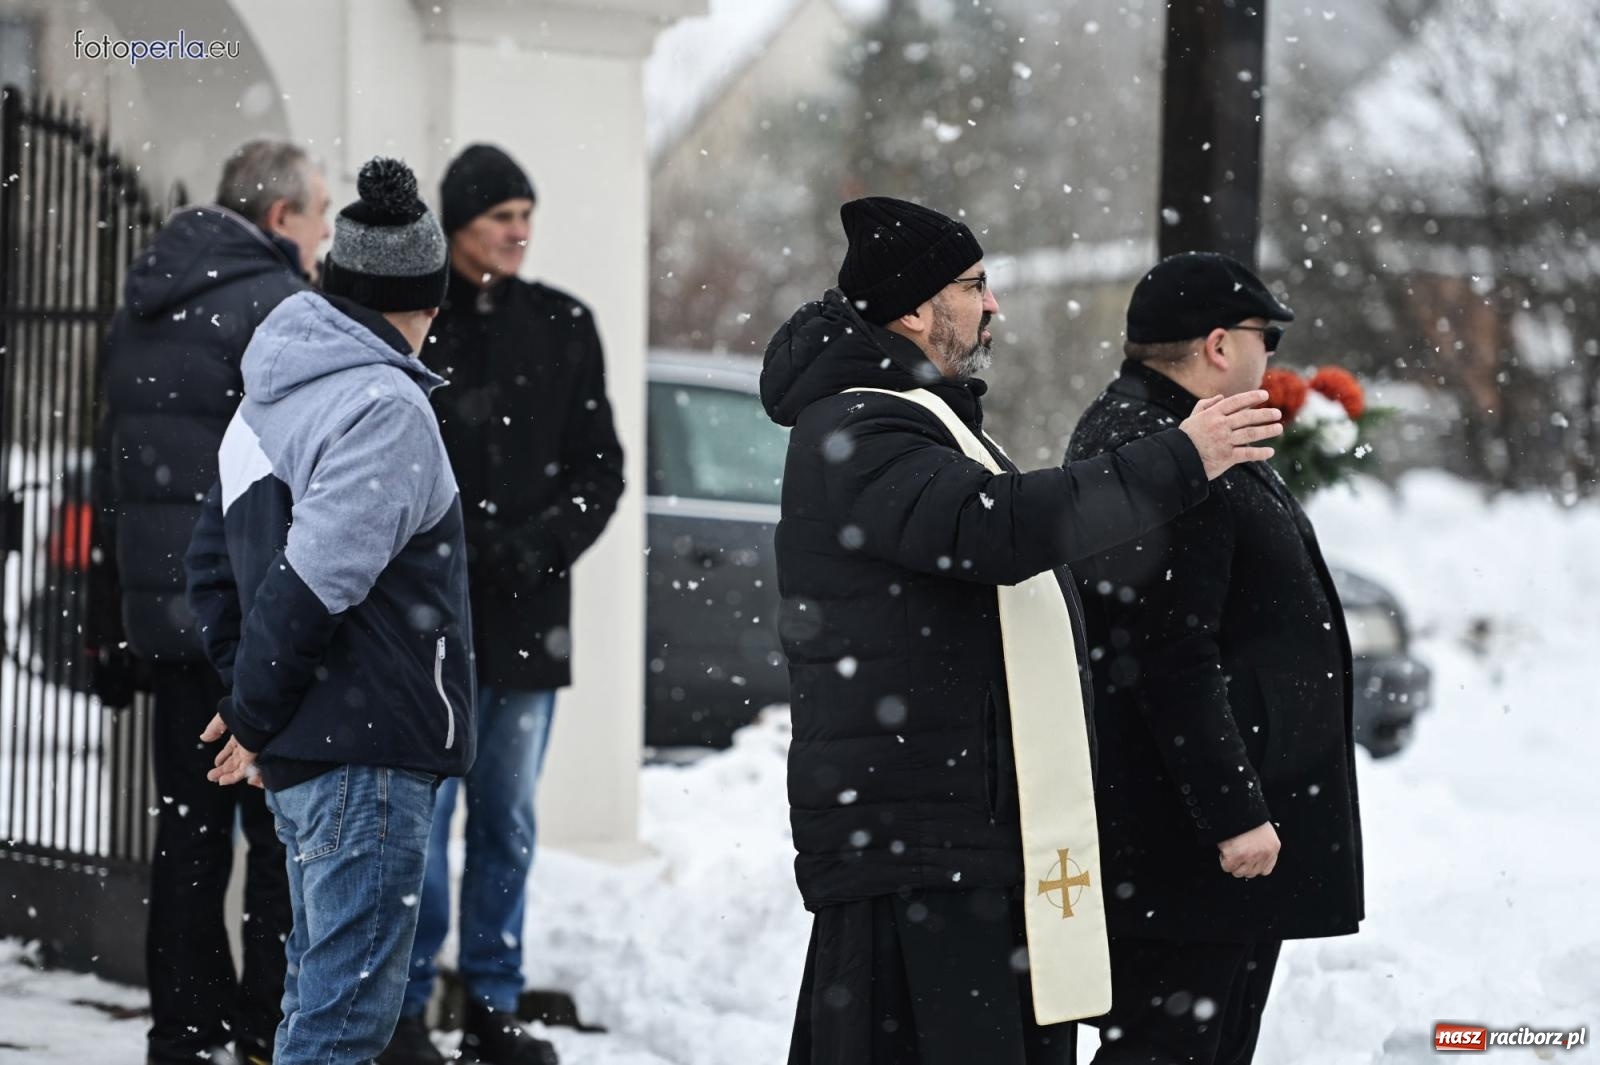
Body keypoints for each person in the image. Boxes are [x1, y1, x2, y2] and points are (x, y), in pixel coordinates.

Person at [761, 197, 1284, 1065]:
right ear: (914, 309)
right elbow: (998, 528)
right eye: (974, 285)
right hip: (918, 840)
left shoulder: (913, 415)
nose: (993, 305)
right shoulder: (862, 424)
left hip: (957, 830)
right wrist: (1176, 458)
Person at [183, 156, 476, 1065]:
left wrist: (260, 711)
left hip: (319, 750)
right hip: (370, 751)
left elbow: (210, 573)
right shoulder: (385, 404)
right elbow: (315, 582)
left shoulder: (267, 393)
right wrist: (257, 715)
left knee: (317, 1003)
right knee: (341, 1027)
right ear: (422, 301)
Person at [1065, 251, 1364, 1064]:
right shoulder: (1170, 449)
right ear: (1220, 344)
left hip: (1202, 836)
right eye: (1265, 338)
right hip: (1193, 846)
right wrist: (1234, 811)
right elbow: (1166, 652)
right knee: (1174, 1047)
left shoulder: (1170, 433)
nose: (1272, 359)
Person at [88, 139, 328, 1065]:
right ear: (278, 220)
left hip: (168, 625)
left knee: (188, 844)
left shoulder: (143, 307)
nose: (318, 236)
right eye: (315, 214)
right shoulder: (281, 307)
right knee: (277, 844)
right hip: (250, 623)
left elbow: (111, 474)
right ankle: (267, 1031)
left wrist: (113, 616)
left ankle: (180, 1035)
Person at [381, 144, 622, 1065]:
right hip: (425, 625)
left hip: (526, 620)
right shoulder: (417, 323)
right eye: (500, 217)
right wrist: (445, 553)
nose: (520, 231)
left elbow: (603, 471)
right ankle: (403, 1006)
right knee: (420, 819)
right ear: (457, 224)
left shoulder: (565, 324)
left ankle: (491, 999)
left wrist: (535, 547)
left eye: (528, 213)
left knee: (506, 818)